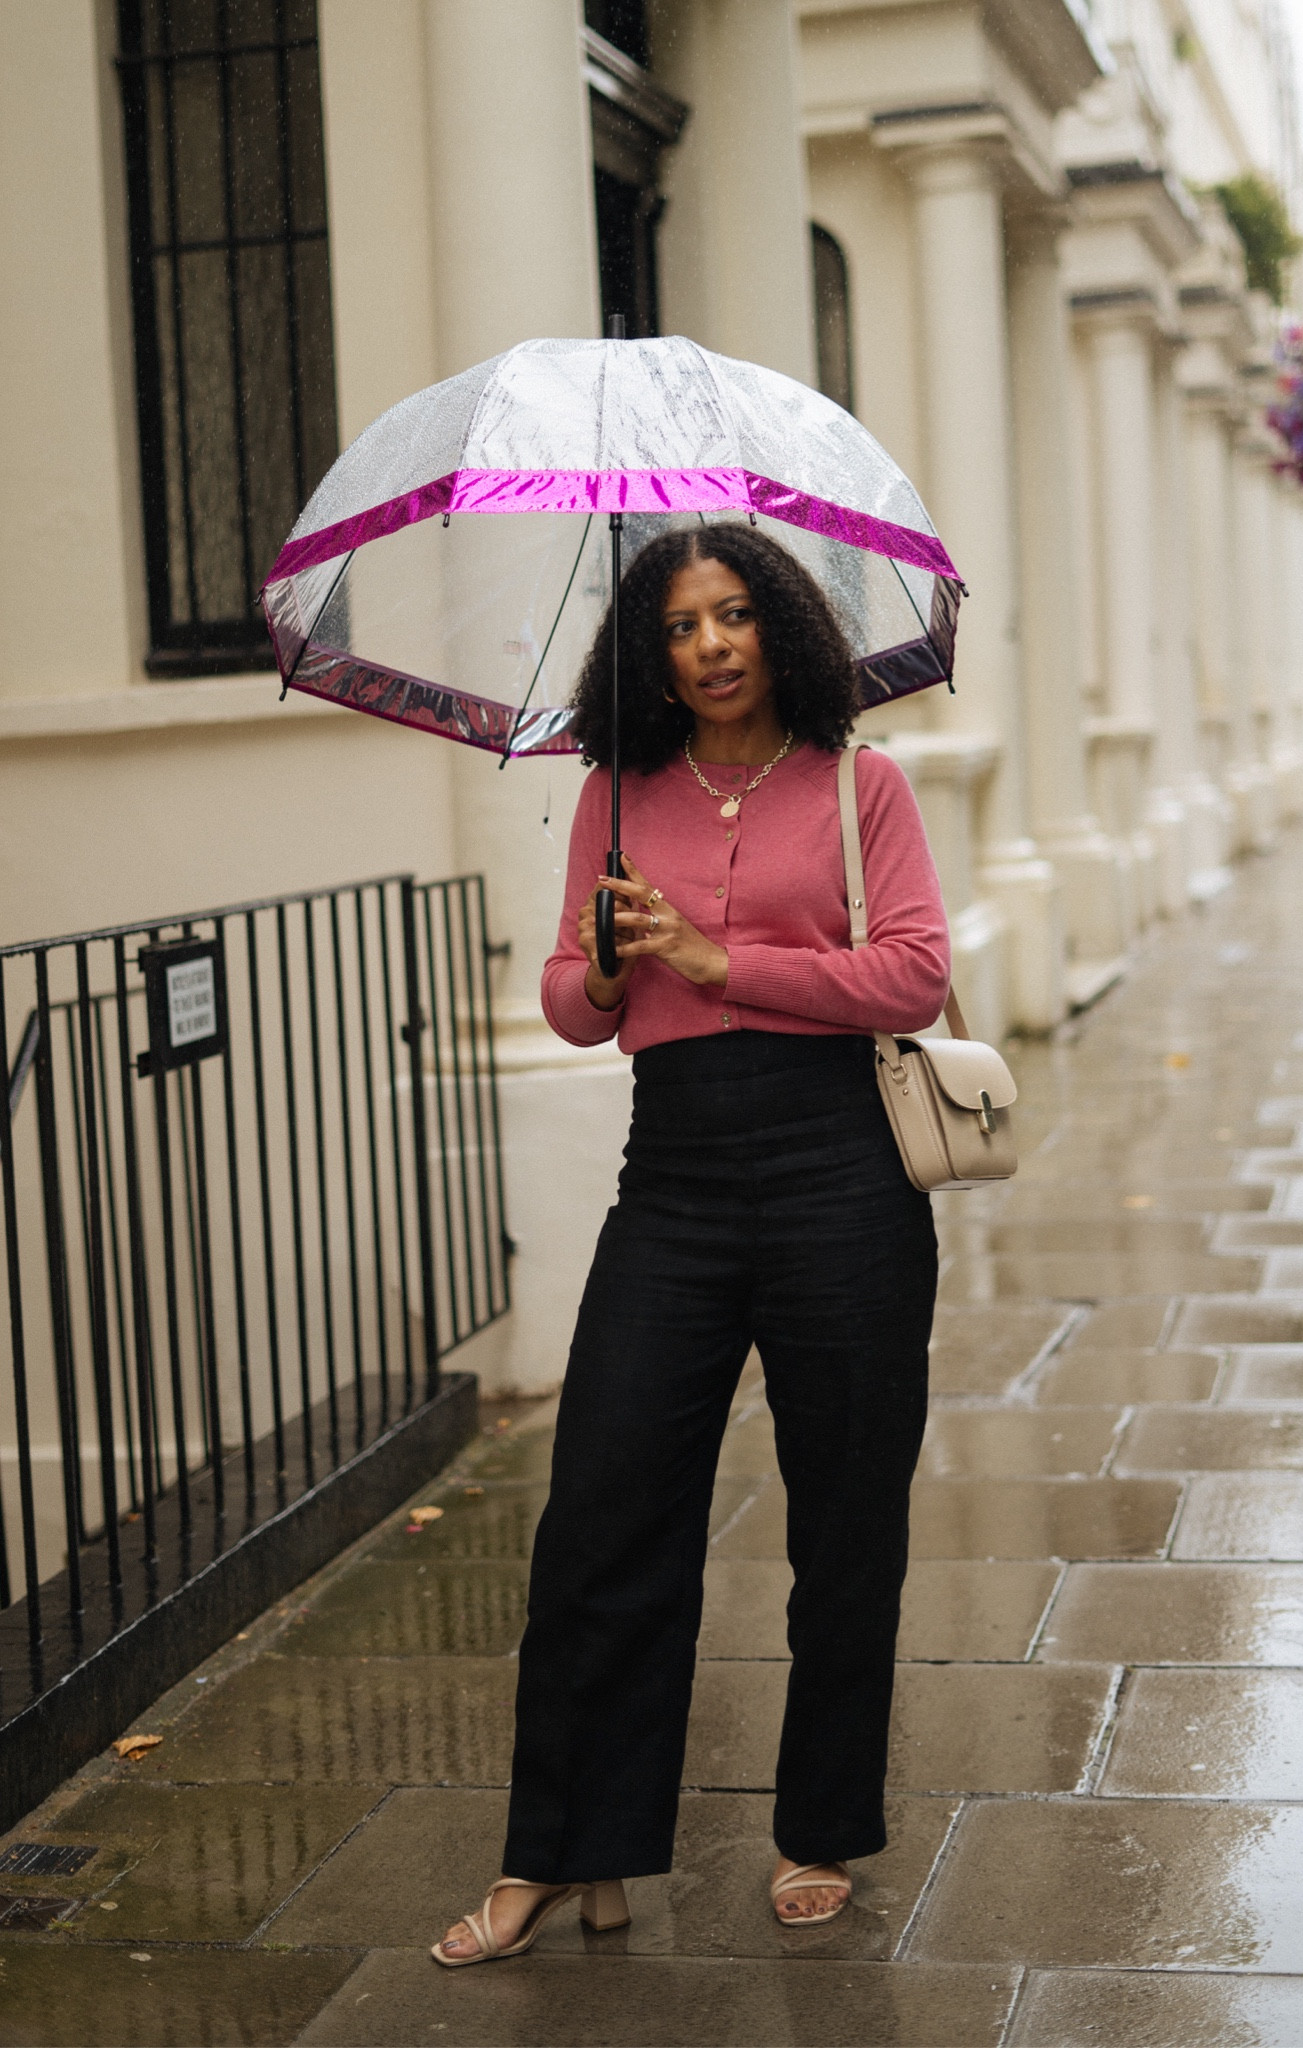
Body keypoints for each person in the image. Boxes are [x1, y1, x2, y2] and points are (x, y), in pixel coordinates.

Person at [433, 525, 950, 1968]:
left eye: (732, 616)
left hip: (842, 1171)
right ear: (646, 655)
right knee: (601, 1510)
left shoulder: (862, 783)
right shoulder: (615, 793)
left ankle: (820, 1826)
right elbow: (571, 1006)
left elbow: (912, 970)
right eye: (677, 626)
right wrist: (605, 960)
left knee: (844, 1513)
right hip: (673, 1175)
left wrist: (729, 964)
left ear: (778, 627)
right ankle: (564, 1851)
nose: (710, 645)